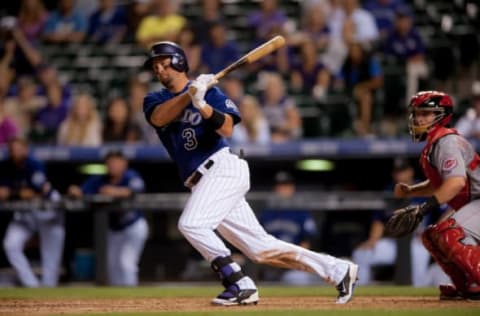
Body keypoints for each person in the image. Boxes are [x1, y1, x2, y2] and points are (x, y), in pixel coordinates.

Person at [142, 41, 358, 305]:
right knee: (261, 249)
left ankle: (239, 284)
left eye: (165, 64)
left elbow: (227, 129)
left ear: (179, 63)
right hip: (202, 182)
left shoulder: (211, 92)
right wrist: (189, 94)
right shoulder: (155, 99)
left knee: (191, 224)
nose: (160, 70)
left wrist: (202, 104)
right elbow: (159, 118)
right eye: (156, 67)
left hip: (223, 168)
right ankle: (339, 270)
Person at [393, 91, 480, 300]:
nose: (419, 118)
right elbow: (439, 183)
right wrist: (412, 191)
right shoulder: (436, 143)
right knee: (432, 236)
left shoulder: (446, 142)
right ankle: (468, 286)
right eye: (417, 113)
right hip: (474, 204)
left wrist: (423, 208)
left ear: (442, 115)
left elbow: (456, 182)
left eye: (426, 113)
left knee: (448, 232)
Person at [352, 158, 446, 286]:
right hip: (393, 243)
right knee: (362, 254)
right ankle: (361, 295)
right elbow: (379, 219)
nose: (400, 175)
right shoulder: (389, 192)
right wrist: (373, 239)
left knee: (419, 258)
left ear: (411, 172)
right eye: (397, 172)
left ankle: (419, 298)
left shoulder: (425, 189)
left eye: (403, 171)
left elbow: (446, 211)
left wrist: (432, 234)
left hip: (417, 242)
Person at [67, 150, 148, 286]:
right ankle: (118, 301)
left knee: (126, 262)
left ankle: (133, 299)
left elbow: (134, 190)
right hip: (114, 229)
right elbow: (80, 191)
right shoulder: (99, 179)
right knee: (111, 265)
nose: (113, 165)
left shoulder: (131, 176)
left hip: (133, 226)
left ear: (124, 163)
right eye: (110, 162)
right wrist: (74, 190)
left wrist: (114, 191)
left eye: (116, 162)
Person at [0, 138, 64, 287]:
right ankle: (32, 286)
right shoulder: (5, 166)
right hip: (26, 213)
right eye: (12, 149)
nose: (15, 152)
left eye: (18, 148)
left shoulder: (34, 164)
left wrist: (12, 192)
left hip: (47, 212)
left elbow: (37, 192)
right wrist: (18, 192)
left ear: (25, 149)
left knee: (50, 255)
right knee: (11, 244)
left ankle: (49, 290)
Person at [259, 171, 321, 285]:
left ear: (292, 188)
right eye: (279, 186)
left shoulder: (301, 212)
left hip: (294, 261)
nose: (282, 189)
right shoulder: (266, 213)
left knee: (296, 279)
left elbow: (309, 241)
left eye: (286, 186)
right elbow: (257, 240)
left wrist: (294, 259)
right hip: (270, 260)